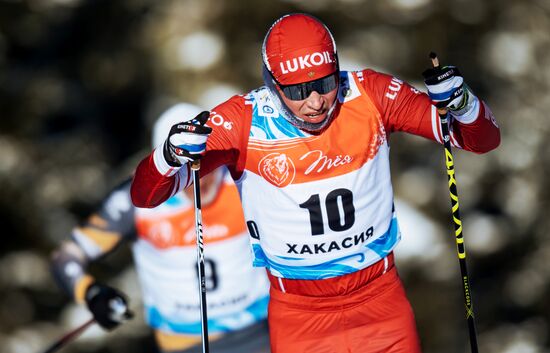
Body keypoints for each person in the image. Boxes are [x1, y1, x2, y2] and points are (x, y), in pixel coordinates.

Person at [130, 13, 500, 353]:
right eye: (296, 91)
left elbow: (480, 140)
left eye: (324, 83)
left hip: (379, 301)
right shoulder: (244, 120)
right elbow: (146, 196)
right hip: (299, 315)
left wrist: (462, 102)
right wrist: (170, 155)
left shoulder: (369, 94)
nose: (315, 102)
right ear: (273, 85)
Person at [51, 103, 271, 353]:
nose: (198, 178)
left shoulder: (242, 178)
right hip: (185, 344)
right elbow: (65, 257)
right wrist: (91, 294)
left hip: (261, 331)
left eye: (205, 162)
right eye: (183, 166)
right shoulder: (137, 200)